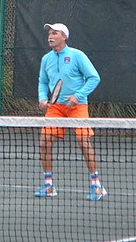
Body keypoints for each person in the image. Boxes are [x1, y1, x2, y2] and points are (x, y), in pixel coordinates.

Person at [36, 22, 105, 200]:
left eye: (54, 33)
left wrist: (78, 95)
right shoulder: (46, 59)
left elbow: (94, 77)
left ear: (64, 36)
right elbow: (43, 81)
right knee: (44, 143)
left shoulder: (77, 55)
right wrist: (43, 98)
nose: (50, 36)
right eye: (49, 33)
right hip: (55, 108)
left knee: (83, 142)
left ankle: (96, 185)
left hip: (77, 106)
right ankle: (48, 185)